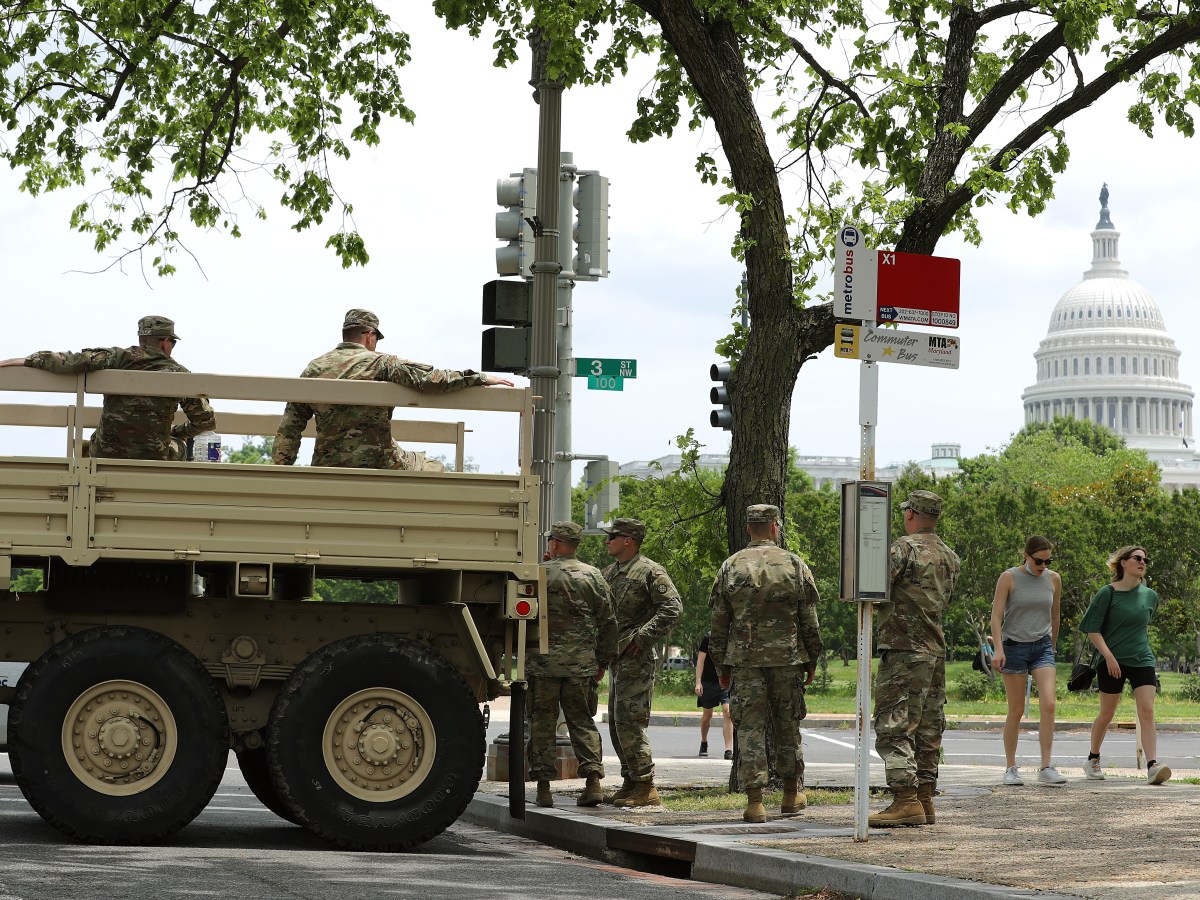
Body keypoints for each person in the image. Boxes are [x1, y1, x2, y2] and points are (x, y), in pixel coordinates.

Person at [273, 309, 513, 469]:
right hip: (380, 462)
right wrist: (478, 378)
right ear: (369, 336)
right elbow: (431, 379)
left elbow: (290, 426)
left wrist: (282, 471)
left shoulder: (313, 369)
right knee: (435, 468)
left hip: (328, 464)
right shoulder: (381, 363)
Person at [708, 504, 823, 823]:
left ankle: (755, 802)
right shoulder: (794, 565)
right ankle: (790, 794)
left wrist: (721, 666)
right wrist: (812, 658)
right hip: (787, 660)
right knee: (788, 725)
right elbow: (809, 621)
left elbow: (719, 624)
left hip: (744, 661)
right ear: (775, 527)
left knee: (750, 729)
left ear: (748, 528)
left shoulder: (730, 567)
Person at [0, 315, 215, 460]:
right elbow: (205, 421)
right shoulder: (181, 375)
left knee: (89, 444)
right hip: (154, 455)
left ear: (141, 338)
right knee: (180, 445)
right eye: (173, 343)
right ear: (165, 342)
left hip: (106, 452)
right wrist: (176, 432)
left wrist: (28, 360)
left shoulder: (118, 358)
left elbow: (74, 361)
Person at [870, 489, 960, 828]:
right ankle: (924, 797)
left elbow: (874, 590)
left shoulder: (902, 549)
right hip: (934, 649)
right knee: (928, 726)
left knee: (894, 722)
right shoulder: (950, 557)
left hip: (904, 648)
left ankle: (906, 799)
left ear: (910, 514)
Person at [527, 521, 618, 808]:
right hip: (581, 666)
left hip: (543, 665)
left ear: (554, 544)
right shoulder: (593, 576)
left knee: (542, 723)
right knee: (581, 721)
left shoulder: (539, 574)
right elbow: (609, 622)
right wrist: (602, 660)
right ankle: (593, 782)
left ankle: (543, 788)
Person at [602, 517, 682, 808]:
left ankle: (646, 786)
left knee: (631, 723)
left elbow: (673, 607)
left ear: (629, 540)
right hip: (617, 658)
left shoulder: (650, 571)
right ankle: (631, 781)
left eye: (613, 536)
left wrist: (643, 637)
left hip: (636, 658)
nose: (607, 540)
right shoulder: (610, 573)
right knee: (616, 723)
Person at [1081, 545, 1171, 785]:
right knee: (1107, 713)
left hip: (1142, 659)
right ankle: (1092, 759)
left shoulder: (1150, 596)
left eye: (1146, 560)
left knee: (1147, 710)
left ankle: (1153, 765)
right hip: (1112, 661)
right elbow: (1092, 629)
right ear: (1123, 562)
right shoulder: (1107, 593)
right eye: (1137, 558)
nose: (1143, 562)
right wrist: (1109, 657)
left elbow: (1141, 627)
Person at [990, 536, 1068, 786]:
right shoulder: (1009, 577)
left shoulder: (1054, 579)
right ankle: (1011, 768)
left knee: (1049, 704)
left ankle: (1046, 766)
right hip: (1013, 646)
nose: (1043, 565)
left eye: (1048, 561)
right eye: (1038, 560)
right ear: (1026, 555)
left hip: (1042, 647)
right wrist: (998, 649)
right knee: (1017, 710)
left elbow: (1055, 617)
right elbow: (996, 617)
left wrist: (1052, 647)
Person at [694, 632, 733, 760]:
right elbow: (700, 661)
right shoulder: (708, 638)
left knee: (728, 712)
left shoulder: (733, 636)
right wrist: (698, 682)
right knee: (707, 715)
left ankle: (728, 749)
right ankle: (704, 741)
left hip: (726, 681)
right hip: (709, 682)